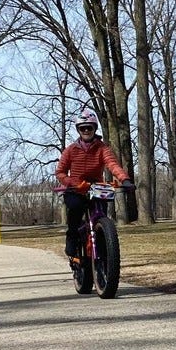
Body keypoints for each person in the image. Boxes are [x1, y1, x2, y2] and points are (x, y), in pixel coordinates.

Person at [55, 109, 132, 257]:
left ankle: (104, 244)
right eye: (82, 128)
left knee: (101, 212)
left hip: (96, 188)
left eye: (89, 127)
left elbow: (112, 164)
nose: (86, 130)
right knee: (75, 209)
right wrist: (71, 182)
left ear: (94, 128)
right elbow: (60, 172)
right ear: (78, 130)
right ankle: (72, 239)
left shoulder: (102, 148)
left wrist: (125, 179)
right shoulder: (70, 150)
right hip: (75, 189)